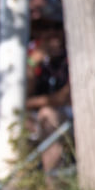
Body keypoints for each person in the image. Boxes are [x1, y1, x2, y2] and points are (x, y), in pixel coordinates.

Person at [27, 18, 71, 173]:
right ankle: (19, 177)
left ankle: (51, 179)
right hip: (35, 113)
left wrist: (29, 103)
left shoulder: (72, 55)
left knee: (48, 114)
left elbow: (62, 98)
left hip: (70, 115)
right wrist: (32, 64)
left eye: (57, 28)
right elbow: (21, 94)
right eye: (46, 28)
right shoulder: (32, 54)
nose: (52, 34)